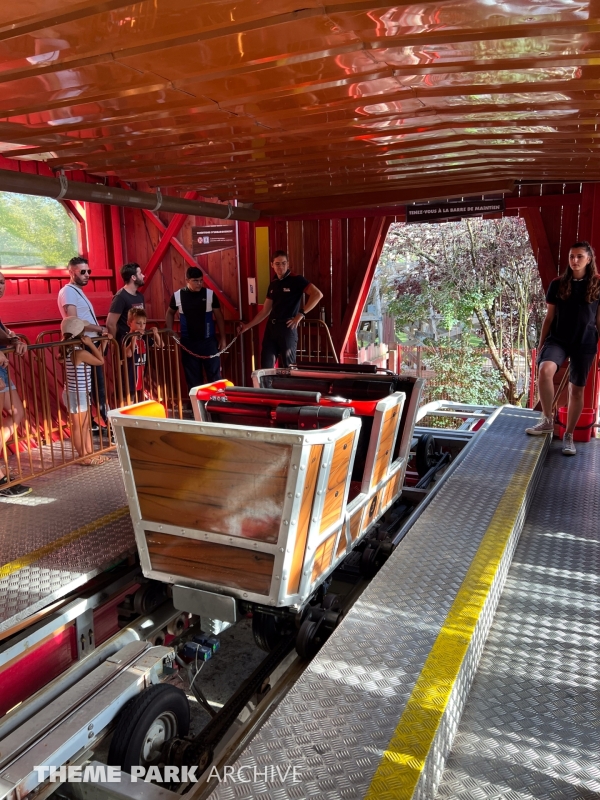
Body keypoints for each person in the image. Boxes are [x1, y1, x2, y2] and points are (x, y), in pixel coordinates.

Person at [526, 240, 600, 455]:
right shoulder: (558, 284)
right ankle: (548, 420)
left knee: (576, 391)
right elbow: (549, 318)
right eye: (571, 256)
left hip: (585, 341)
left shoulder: (597, 284)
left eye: (579, 256)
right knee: (544, 370)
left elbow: (598, 320)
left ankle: (569, 436)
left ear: (589, 259)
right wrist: (541, 345)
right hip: (558, 339)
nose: (574, 260)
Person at [237, 250, 323, 368]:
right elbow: (265, 311)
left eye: (283, 263)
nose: (281, 266)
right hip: (271, 329)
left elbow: (317, 294)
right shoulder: (273, 283)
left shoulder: (296, 279)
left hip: (287, 327)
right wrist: (247, 326)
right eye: (277, 264)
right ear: (272, 265)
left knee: (289, 368)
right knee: (266, 367)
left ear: (288, 264)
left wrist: (301, 314)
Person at [58, 256, 109, 431]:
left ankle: (95, 423)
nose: (87, 274)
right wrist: (100, 329)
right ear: (71, 272)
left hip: (89, 341)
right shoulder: (69, 292)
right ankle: (106, 423)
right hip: (85, 341)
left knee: (93, 386)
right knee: (96, 387)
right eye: (83, 271)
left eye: (89, 271)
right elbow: (74, 320)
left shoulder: (75, 291)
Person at [59, 317, 111, 466]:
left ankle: (89, 453)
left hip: (79, 392)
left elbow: (95, 358)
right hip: (78, 393)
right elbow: (100, 361)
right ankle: (83, 456)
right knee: (79, 426)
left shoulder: (69, 350)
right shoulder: (80, 353)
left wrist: (104, 342)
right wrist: (90, 344)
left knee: (85, 425)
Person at [166, 267, 226, 391]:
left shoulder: (210, 294)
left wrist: (223, 338)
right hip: (188, 344)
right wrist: (170, 331)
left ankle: (217, 402)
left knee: (215, 377)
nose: (199, 283)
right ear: (187, 280)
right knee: (193, 380)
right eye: (195, 281)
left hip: (209, 343)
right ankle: (197, 403)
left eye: (201, 280)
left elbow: (219, 316)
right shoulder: (178, 296)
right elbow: (169, 313)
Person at [0, 271, 31, 496]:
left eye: (2, 282)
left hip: (2, 369)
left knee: (17, 412)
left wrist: (15, 340)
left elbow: (4, 334)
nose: (0, 286)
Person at [124, 307, 163, 397]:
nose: (142, 326)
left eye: (144, 323)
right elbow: (129, 354)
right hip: (129, 375)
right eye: (138, 323)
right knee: (130, 398)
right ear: (129, 323)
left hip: (141, 373)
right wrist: (134, 337)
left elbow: (160, 345)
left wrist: (156, 334)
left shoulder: (145, 337)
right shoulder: (126, 337)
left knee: (139, 397)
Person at [106, 263, 145, 343]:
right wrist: (114, 345)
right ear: (133, 277)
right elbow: (110, 323)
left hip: (140, 341)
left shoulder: (140, 296)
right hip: (126, 343)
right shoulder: (120, 297)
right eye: (140, 273)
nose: (143, 276)